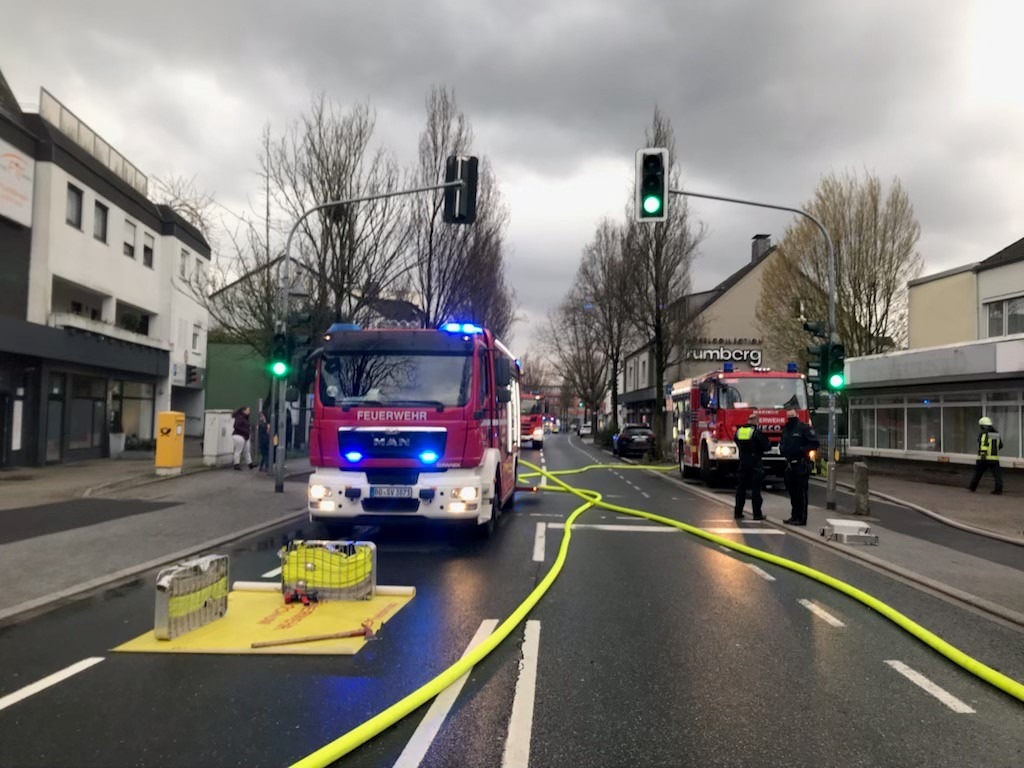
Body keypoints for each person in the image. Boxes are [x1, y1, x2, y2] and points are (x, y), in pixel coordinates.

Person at [778, 408, 819, 525]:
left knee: (801, 493)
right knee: (792, 493)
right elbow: (783, 442)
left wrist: (802, 450)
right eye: (788, 416)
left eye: (792, 415)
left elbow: (814, 443)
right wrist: (783, 450)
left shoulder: (804, 428)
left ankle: (801, 518)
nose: (790, 418)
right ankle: (794, 516)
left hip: (801, 464)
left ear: (797, 415)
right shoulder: (786, 429)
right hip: (789, 464)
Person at [734, 413, 771, 520]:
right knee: (756, 490)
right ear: (756, 421)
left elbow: (736, 440)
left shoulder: (740, 431)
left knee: (741, 489)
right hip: (755, 464)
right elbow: (767, 446)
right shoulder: (756, 432)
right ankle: (757, 514)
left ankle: (738, 512)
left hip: (743, 463)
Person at [968, 416, 1003, 495]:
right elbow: (1000, 445)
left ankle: (972, 487)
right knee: (997, 475)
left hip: (984, 458)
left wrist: (983, 454)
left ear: (983, 425)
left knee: (978, 473)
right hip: (994, 459)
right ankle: (998, 489)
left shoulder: (984, 434)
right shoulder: (996, 434)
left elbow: (984, 444)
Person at [231, 406, 255, 471]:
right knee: (239, 450)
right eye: (248, 410)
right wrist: (245, 431)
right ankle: (236, 465)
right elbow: (236, 426)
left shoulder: (245, 417)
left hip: (245, 436)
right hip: (239, 436)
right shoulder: (240, 417)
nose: (249, 412)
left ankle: (250, 464)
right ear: (243, 411)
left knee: (247, 450)